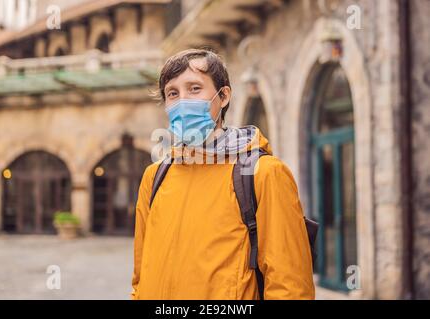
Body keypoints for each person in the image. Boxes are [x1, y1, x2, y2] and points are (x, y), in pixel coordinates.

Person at [131, 49, 315, 300]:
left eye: (194, 88)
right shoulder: (155, 177)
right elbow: (140, 275)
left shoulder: (264, 173)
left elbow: (290, 287)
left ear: (224, 96)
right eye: (172, 93)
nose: (182, 101)